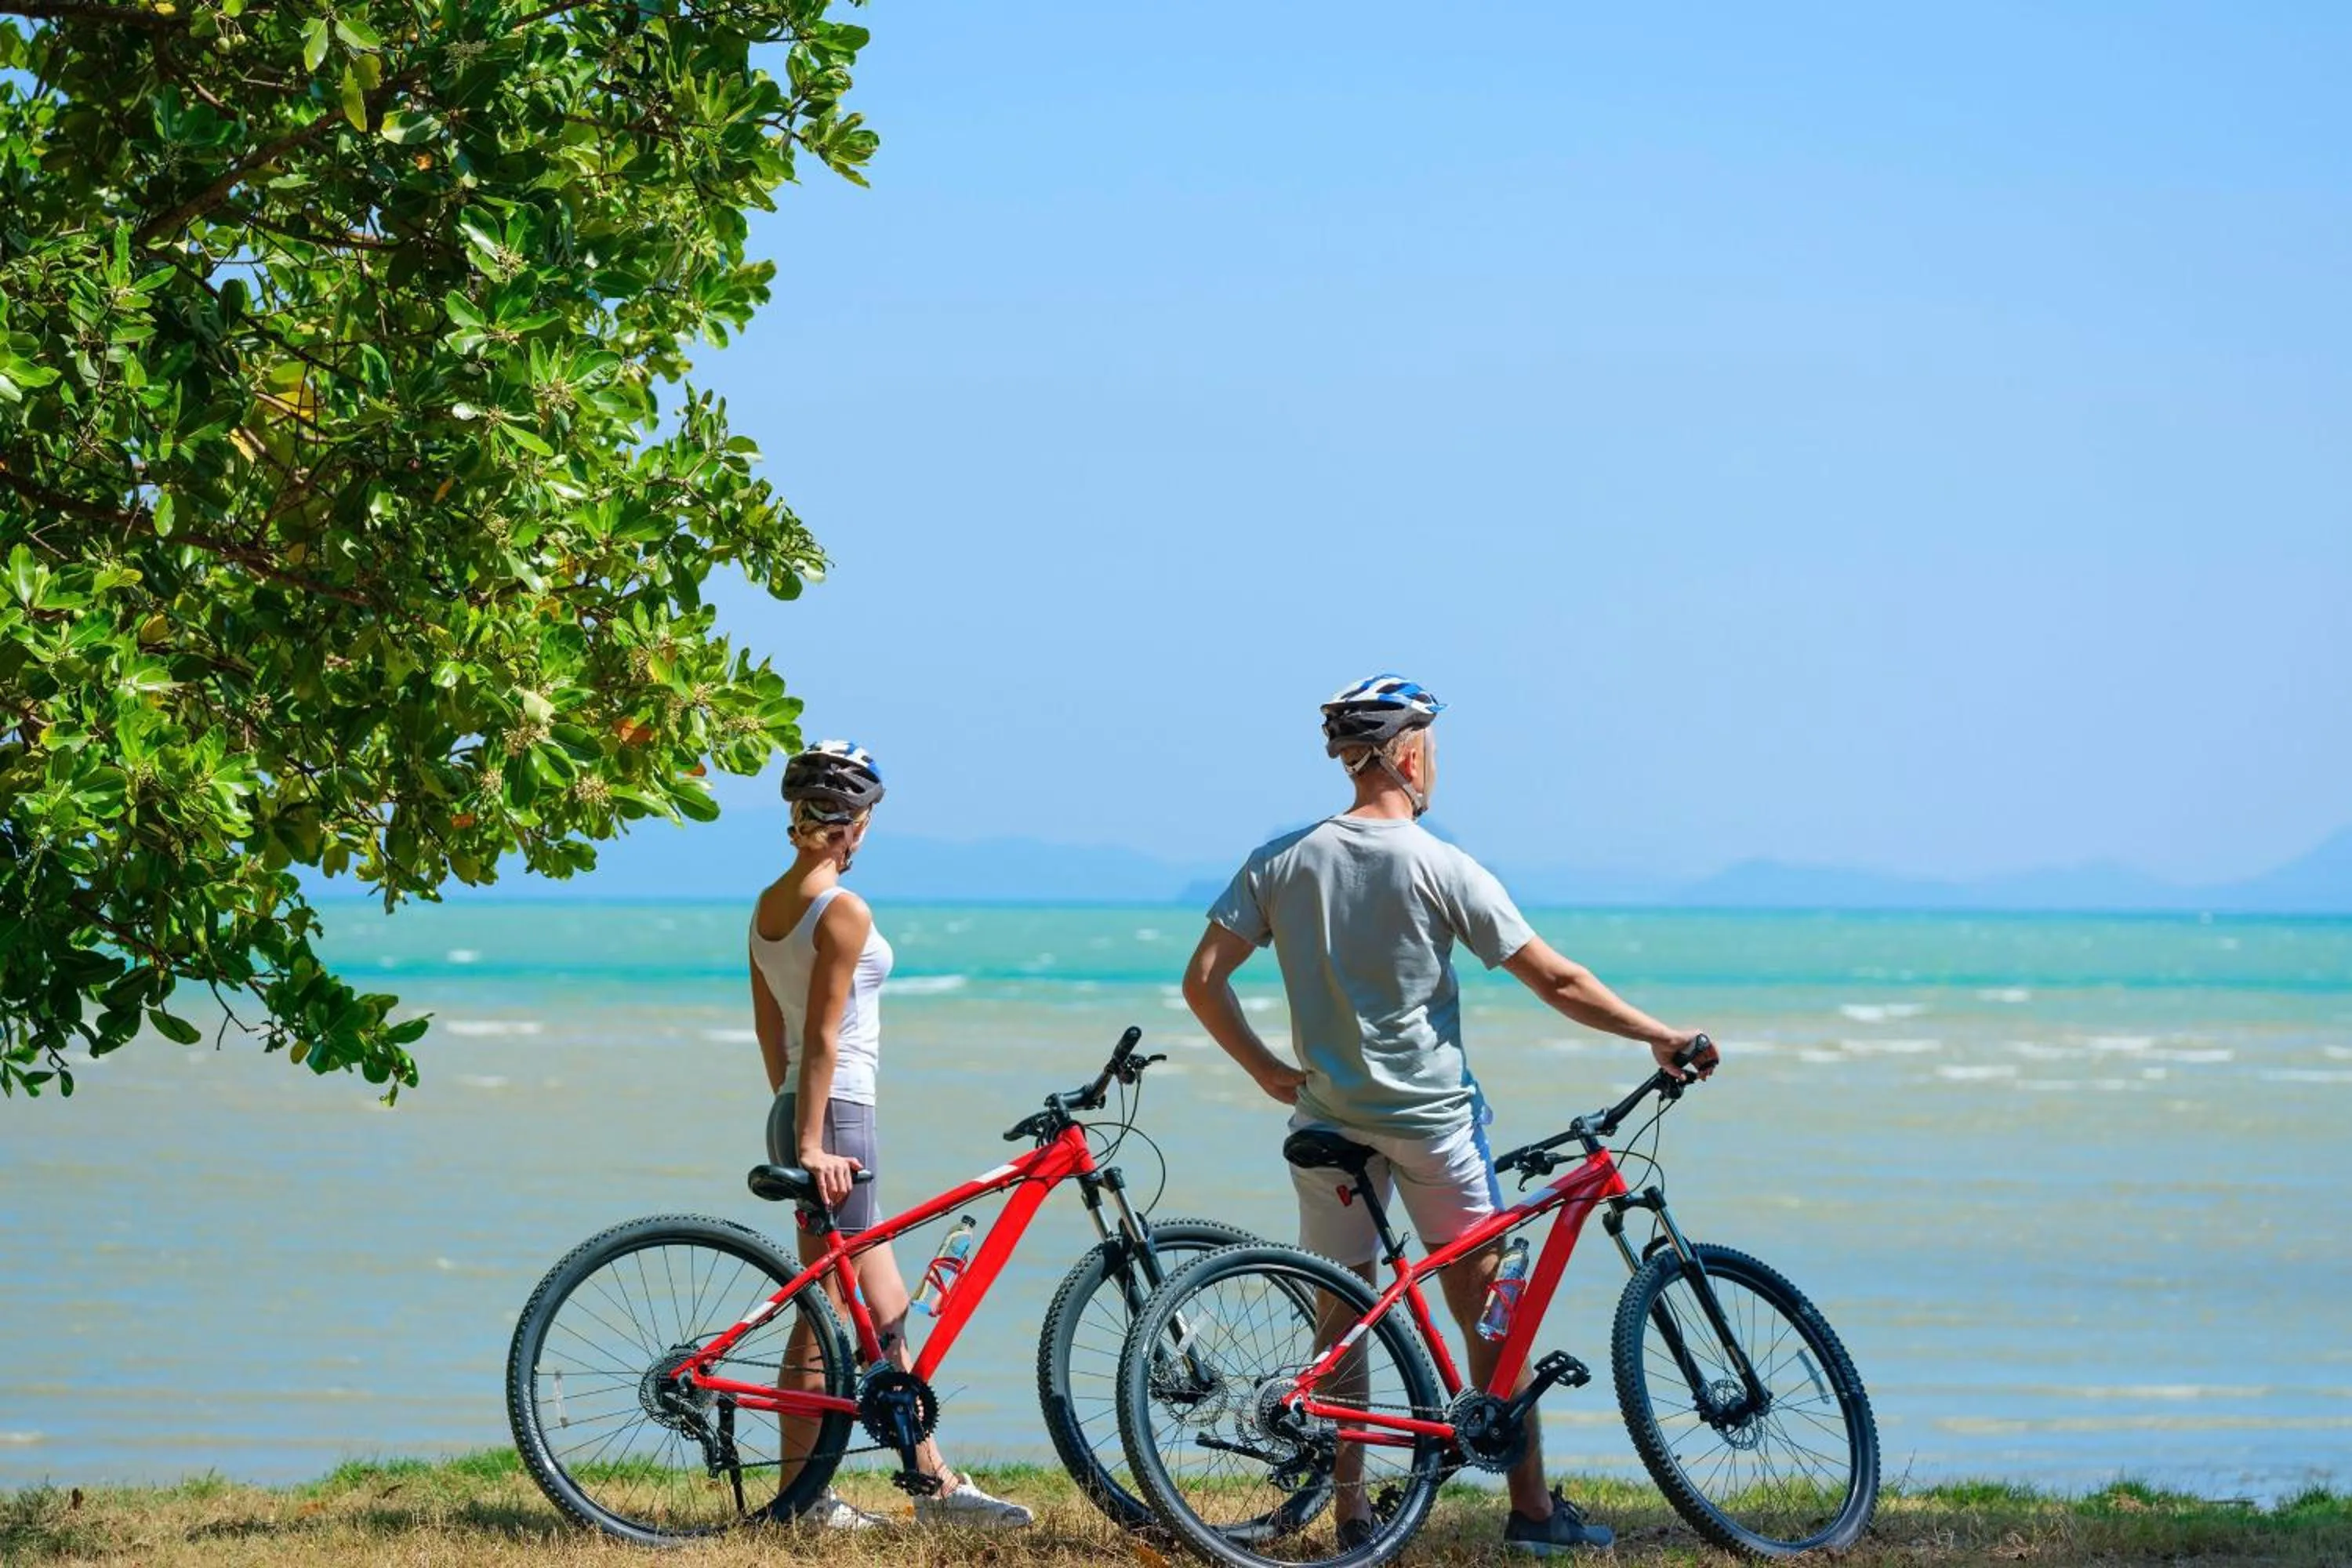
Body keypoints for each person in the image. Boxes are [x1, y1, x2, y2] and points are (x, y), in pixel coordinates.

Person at [1181, 676, 1715, 1555]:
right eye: (1435, 745)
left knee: (1343, 1309)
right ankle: (1534, 1514)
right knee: (1488, 1310)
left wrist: (1269, 1071)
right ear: (1411, 751)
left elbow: (1204, 980)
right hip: (1432, 1125)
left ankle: (1354, 1512)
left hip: (1325, 1120)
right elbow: (1558, 979)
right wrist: (1659, 1032)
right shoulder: (1440, 864)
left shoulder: (1278, 859)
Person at [750, 740, 1033, 1531]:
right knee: (827, 1309)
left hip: (806, 1105)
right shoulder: (843, 908)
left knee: (885, 1306)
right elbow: (824, 1033)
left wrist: (790, 1114)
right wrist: (812, 1141)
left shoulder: (771, 903)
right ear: (856, 822)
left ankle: (934, 1484)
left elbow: (773, 1032)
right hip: (834, 1118)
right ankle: (802, 1503)